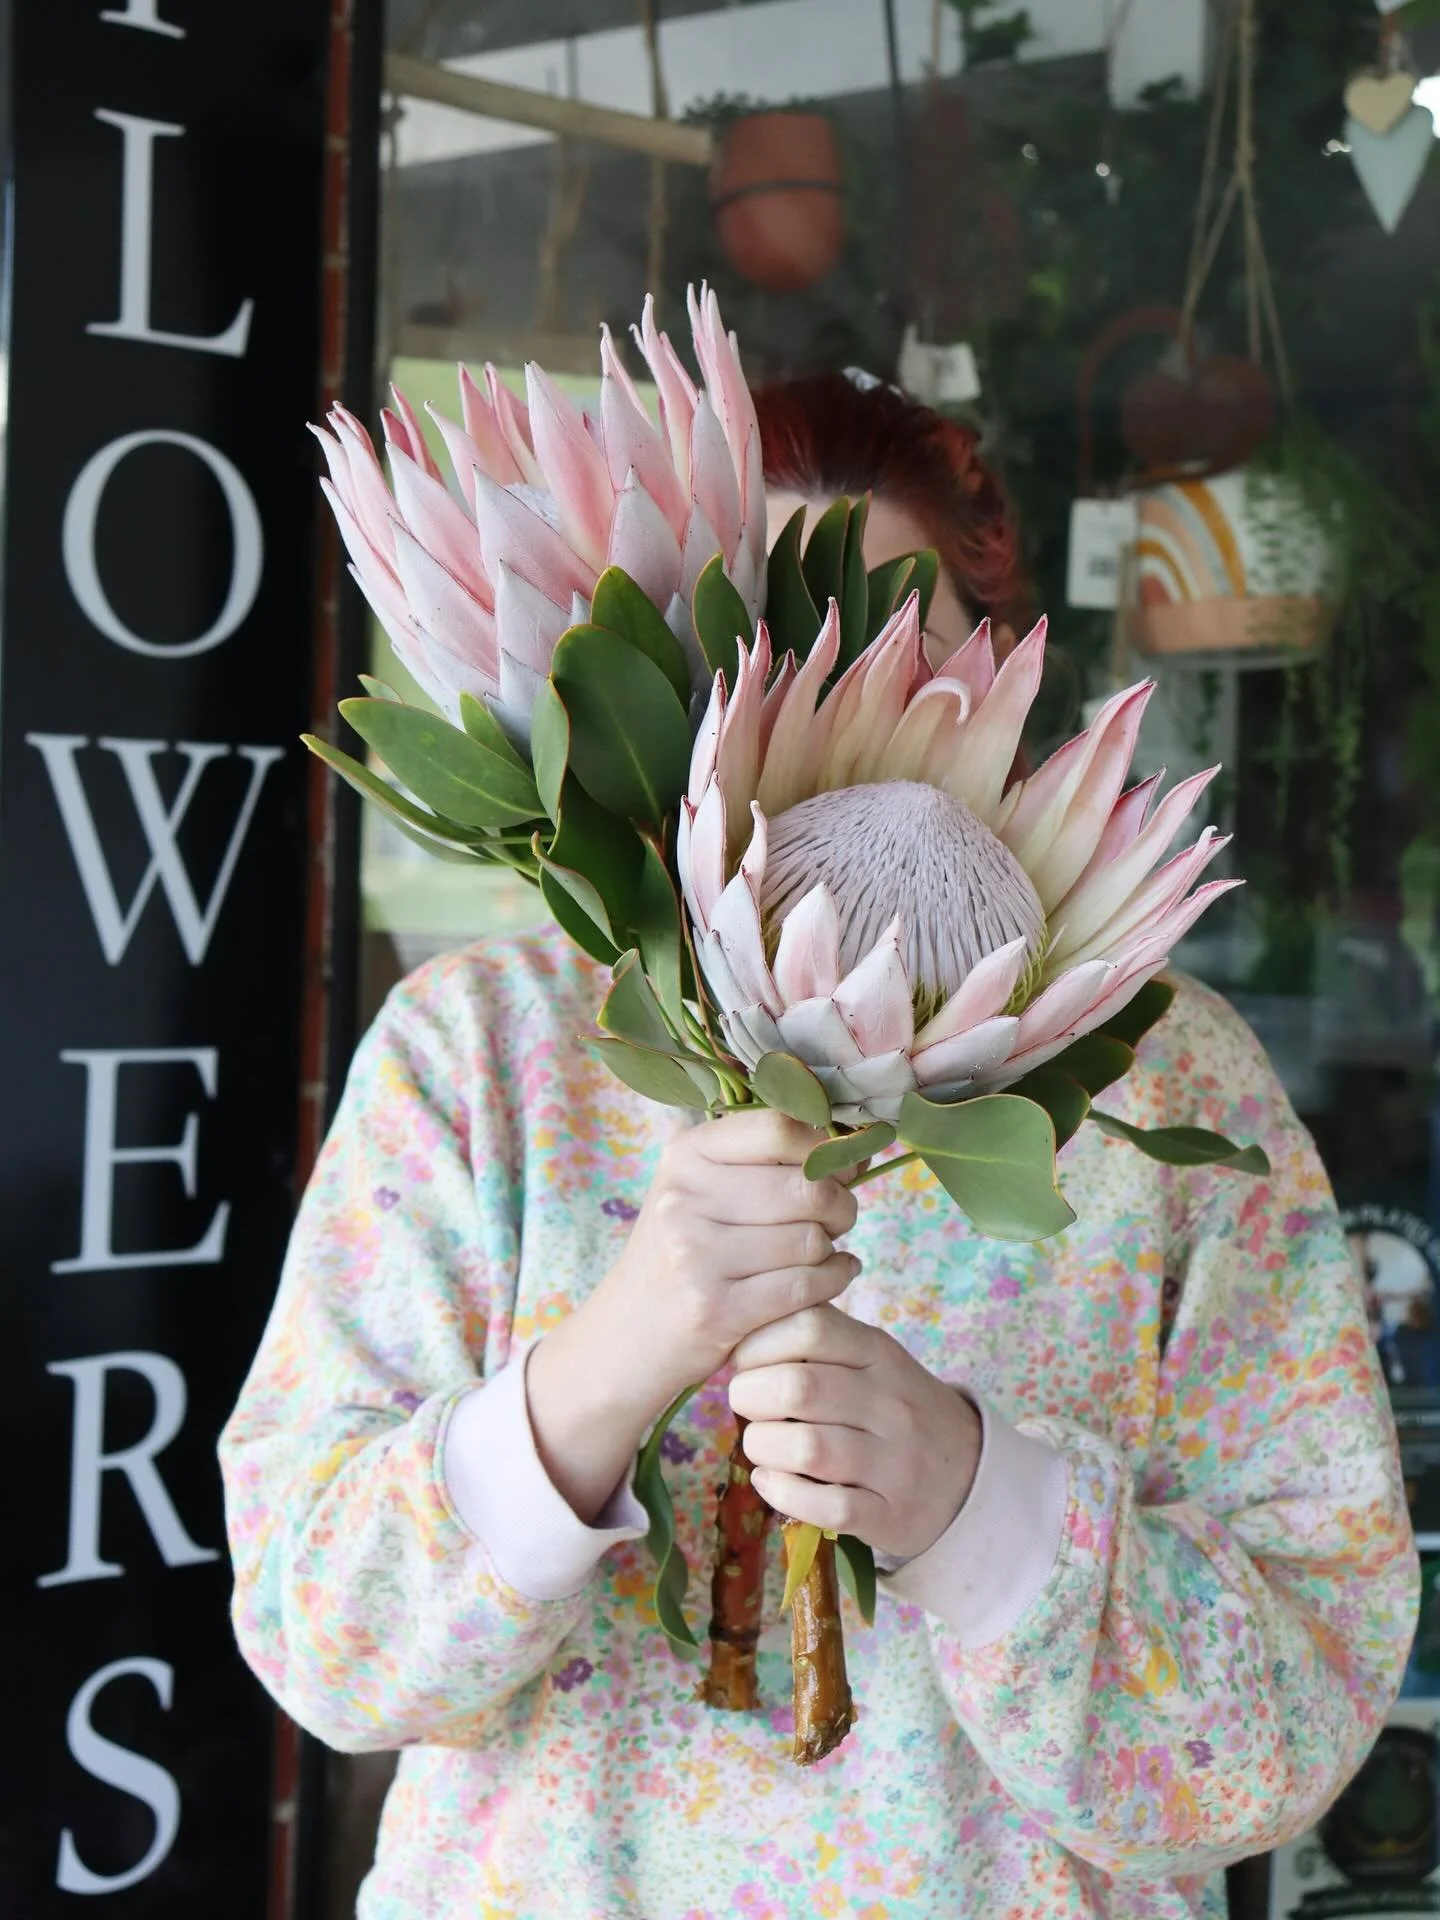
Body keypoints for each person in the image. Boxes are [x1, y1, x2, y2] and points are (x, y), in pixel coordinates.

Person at [220, 370, 1418, 1919]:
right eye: (751, 646)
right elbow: (324, 1643)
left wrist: (974, 1505)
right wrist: (612, 1360)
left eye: (882, 642)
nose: (794, 712)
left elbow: (1300, 1716)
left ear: (986, 681)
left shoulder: (1171, 1087)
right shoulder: (488, 1055)